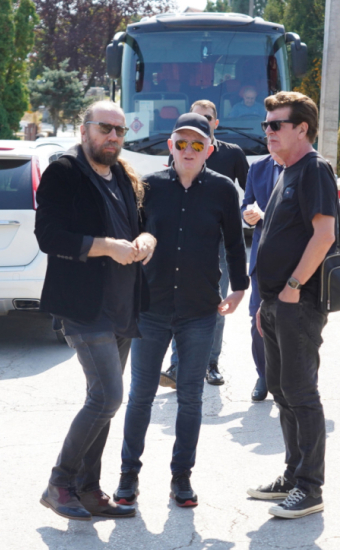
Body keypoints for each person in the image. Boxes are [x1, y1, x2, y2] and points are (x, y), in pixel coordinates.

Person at [115, 113, 249, 508]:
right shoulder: (149, 187)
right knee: (140, 396)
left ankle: (182, 478)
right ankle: (128, 476)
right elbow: (132, 237)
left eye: (197, 144)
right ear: (170, 146)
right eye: (182, 143)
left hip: (200, 311)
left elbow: (235, 243)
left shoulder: (223, 189)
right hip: (151, 309)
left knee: (191, 397)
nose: (189, 150)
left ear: (210, 149)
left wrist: (240, 288)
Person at [34, 101, 156, 521]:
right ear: (84, 129)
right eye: (105, 128)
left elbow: (142, 224)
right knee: (107, 397)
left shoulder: (121, 174)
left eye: (120, 131)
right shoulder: (64, 172)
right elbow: (48, 236)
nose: (113, 137)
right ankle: (59, 483)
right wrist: (106, 247)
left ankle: (88, 489)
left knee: (102, 401)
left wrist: (146, 240)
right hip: (83, 306)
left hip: (123, 304)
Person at [246, 91, 337, 519]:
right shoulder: (287, 170)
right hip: (276, 302)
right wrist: (267, 303)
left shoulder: (314, 169)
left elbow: (324, 235)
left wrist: (293, 287)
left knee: (301, 393)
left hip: (298, 302)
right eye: (266, 125)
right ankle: (292, 475)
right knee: (281, 391)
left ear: (302, 128)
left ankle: (309, 488)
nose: (268, 131)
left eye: (276, 124)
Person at [161, 100, 249, 388]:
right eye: (194, 118)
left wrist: (251, 211)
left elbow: (251, 190)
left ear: (215, 123)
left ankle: (211, 363)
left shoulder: (232, 154)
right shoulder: (180, 152)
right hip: (183, 243)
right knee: (179, 304)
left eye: (207, 118)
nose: (200, 123)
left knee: (215, 307)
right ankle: (178, 365)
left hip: (219, 246)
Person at [241, 152, 284, 401]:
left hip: (295, 260)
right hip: (261, 259)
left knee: (293, 321)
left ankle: (290, 378)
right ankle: (264, 375)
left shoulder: (306, 165)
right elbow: (247, 203)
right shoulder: (257, 167)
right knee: (258, 320)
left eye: (275, 134)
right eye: (268, 135)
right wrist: (247, 215)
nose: (271, 139)